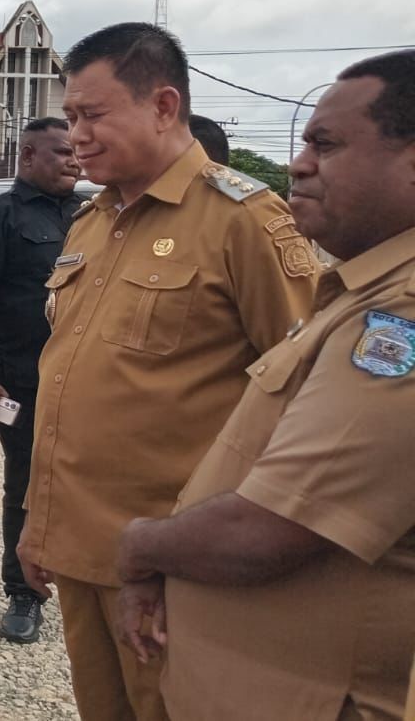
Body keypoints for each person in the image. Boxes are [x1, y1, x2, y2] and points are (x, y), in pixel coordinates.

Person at [17, 22, 318, 720]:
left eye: (93, 115)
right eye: (70, 118)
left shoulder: (245, 222)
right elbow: (67, 385)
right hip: (82, 549)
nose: (78, 135)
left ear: (162, 106)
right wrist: (40, 521)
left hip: (178, 563)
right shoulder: (93, 221)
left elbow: (303, 401)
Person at [114, 50, 415, 720]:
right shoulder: (360, 291)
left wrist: (141, 547)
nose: (298, 164)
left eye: (326, 145)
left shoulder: (401, 317)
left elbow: (272, 528)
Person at [0, 116, 84, 644]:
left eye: (76, 152)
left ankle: (82, 575)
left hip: (84, 381)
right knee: (28, 479)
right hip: (23, 381)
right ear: (28, 156)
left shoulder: (89, 217)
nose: (74, 160)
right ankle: (23, 592)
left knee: (86, 480)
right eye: (62, 152)